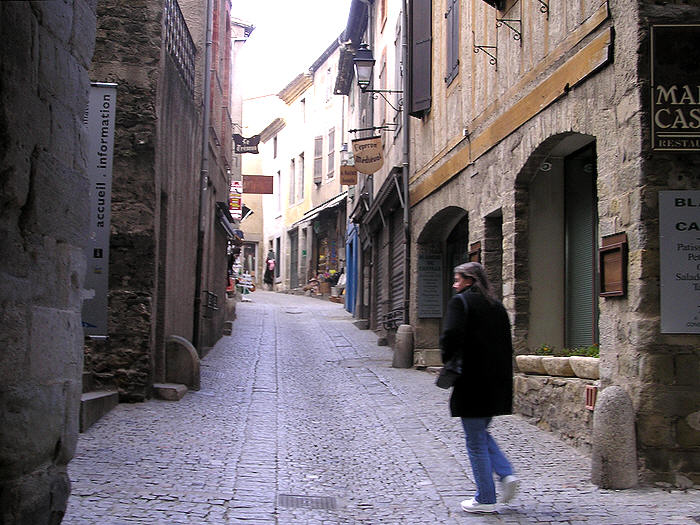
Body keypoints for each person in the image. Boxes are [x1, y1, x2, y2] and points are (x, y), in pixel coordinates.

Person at [439, 262, 518, 514]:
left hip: (471, 380)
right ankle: (506, 473)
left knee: (474, 440)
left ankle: (485, 498)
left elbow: (450, 336)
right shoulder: (497, 306)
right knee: (480, 432)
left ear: (470, 280)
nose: (455, 284)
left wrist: (448, 360)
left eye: (458, 280)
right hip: (496, 381)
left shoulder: (460, 303)